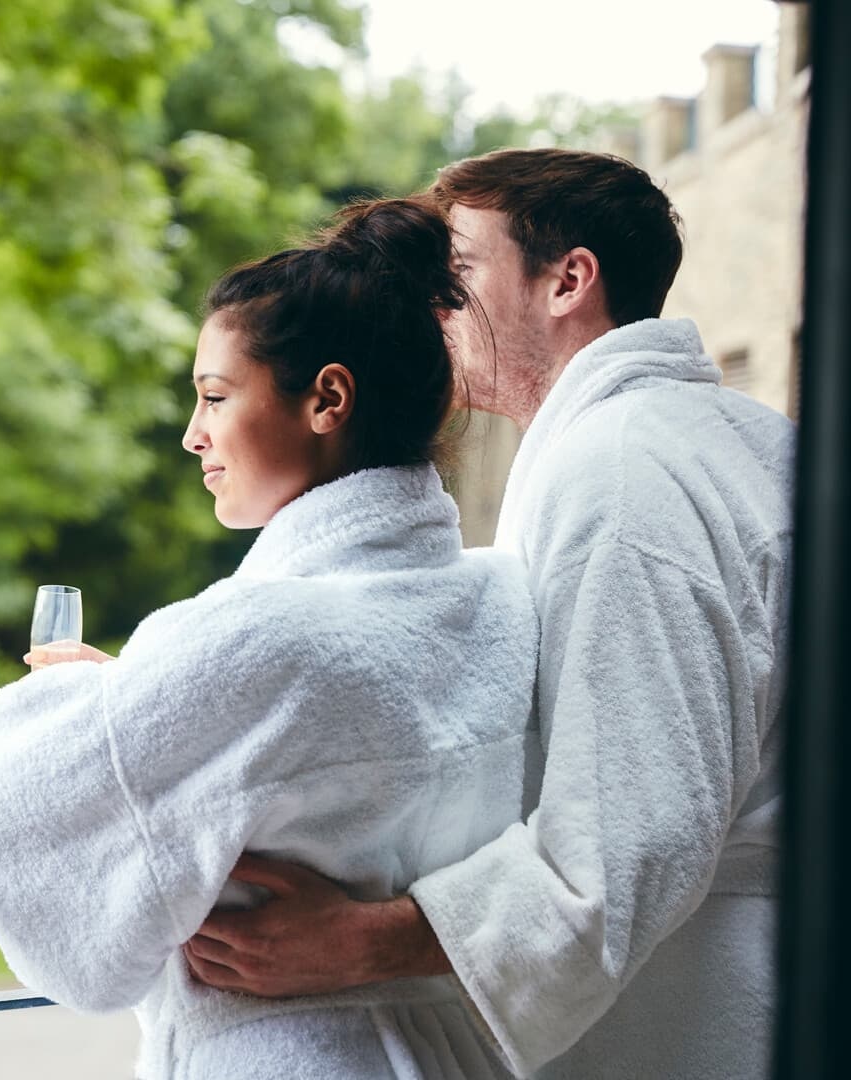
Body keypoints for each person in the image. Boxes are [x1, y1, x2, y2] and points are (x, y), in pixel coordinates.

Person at [183, 149, 795, 1080]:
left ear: (567, 281)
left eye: (458, 273)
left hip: (707, 1019)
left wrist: (363, 940)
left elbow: (628, 844)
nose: (431, 304)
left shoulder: (625, 473)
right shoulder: (735, 442)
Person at [0, 199, 539, 1079]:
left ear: (327, 398)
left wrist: (66, 699)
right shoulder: (494, 599)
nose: (192, 435)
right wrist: (138, 690)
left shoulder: (260, 640)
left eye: (214, 396)